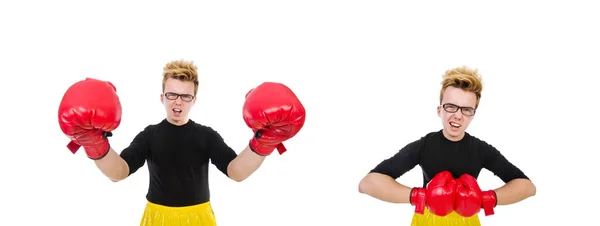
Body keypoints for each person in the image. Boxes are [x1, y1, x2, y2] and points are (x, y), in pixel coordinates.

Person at [58, 60, 306, 225]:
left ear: (194, 100)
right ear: (162, 97)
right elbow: (119, 172)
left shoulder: (207, 135)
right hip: (158, 218)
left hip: (199, 217)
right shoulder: (150, 135)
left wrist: (267, 141)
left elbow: (236, 171)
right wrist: (93, 142)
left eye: (185, 96)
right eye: (172, 94)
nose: (178, 102)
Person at [358, 66, 536, 226]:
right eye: (451, 106)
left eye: (466, 109)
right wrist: (421, 196)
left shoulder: (481, 150)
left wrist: (484, 199)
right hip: (427, 221)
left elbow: (527, 186)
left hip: (468, 222)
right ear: (439, 110)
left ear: (473, 115)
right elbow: (367, 183)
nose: (458, 116)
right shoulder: (424, 146)